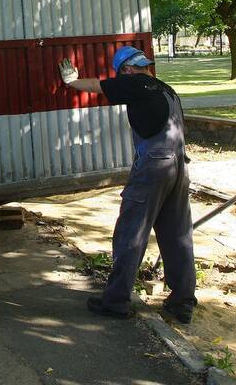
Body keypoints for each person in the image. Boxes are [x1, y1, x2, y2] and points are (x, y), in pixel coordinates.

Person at [58, 46, 196, 324]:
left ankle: (116, 301)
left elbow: (98, 86)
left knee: (131, 232)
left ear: (127, 70)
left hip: (154, 166)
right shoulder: (165, 88)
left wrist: (71, 82)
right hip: (179, 167)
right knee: (178, 235)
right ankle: (182, 301)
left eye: (120, 73)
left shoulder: (133, 82)